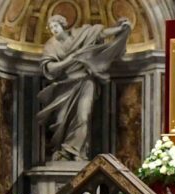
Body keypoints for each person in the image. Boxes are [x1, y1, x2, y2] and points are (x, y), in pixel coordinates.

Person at [37, 15, 131, 160]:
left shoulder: (81, 34)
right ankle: (62, 152)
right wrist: (69, 60)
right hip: (65, 85)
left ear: (63, 25)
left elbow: (100, 33)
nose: (53, 30)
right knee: (61, 120)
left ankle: (75, 151)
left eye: (55, 26)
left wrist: (120, 29)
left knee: (83, 116)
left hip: (86, 81)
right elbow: (50, 68)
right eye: (51, 28)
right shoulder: (51, 45)